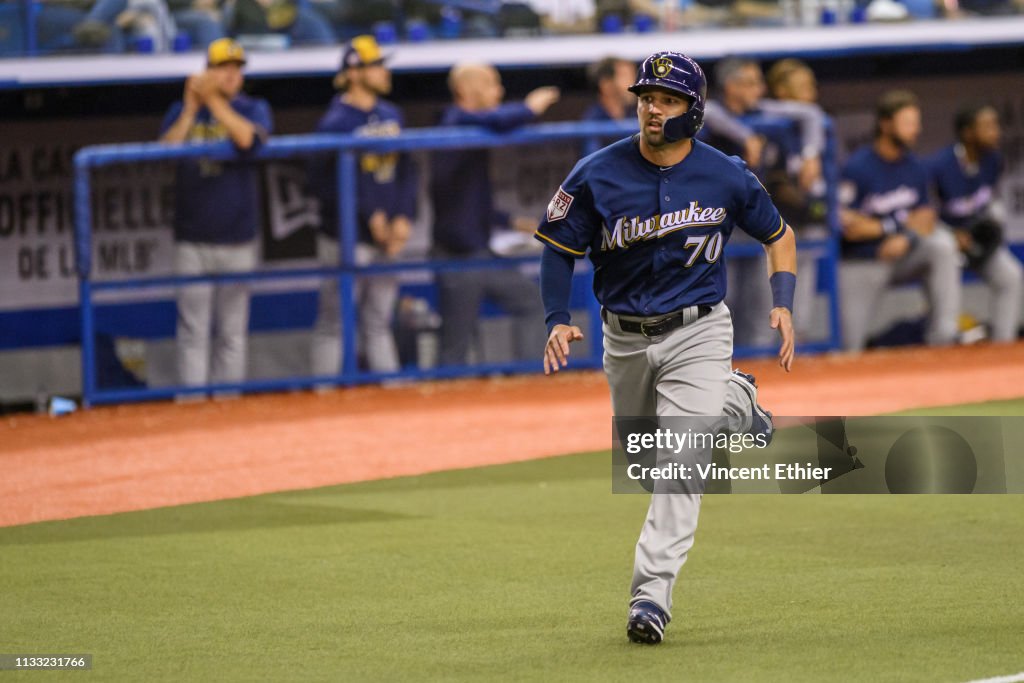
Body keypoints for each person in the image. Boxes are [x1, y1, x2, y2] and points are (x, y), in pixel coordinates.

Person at [535, 51, 796, 644]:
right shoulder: (597, 171)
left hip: (699, 329)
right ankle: (735, 403)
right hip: (622, 338)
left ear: (694, 110)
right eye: (647, 97)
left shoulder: (725, 174)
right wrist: (556, 317)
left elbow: (779, 235)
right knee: (644, 456)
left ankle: (650, 595)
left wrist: (783, 299)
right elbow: (557, 249)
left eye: (668, 99)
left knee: (680, 464)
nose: (653, 109)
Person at [159, 38, 273, 389]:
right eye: (222, 68)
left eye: (236, 68)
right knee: (192, 330)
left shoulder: (255, 108)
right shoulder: (182, 109)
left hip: (238, 236)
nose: (230, 75)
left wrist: (213, 101)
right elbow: (164, 154)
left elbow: (246, 140)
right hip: (192, 238)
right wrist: (192, 109)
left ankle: (227, 410)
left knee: (232, 333)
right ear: (206, 71)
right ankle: (192, 408)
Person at [429, 63, 559, 366]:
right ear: (465, 89)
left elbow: (471, 202)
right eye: (491, 84)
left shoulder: (471, 124)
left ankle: (528, 381)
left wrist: (513, 223)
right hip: (455, 257)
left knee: (532, 303)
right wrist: (528, 108)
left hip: (480, 253)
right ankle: (442, 408)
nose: (498, 91)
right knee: (455, 347)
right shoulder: (454, 121)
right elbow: (498, 119)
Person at [309, 35, 416, 377]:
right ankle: (324, 397)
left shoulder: (392, 113)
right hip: (346, 236)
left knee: (379, 321)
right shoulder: (335, 121)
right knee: (334, 322)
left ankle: (390, 397)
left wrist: (403, 216)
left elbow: (408, 169)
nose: (384, 71)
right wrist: (369, 215)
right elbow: (324, 185)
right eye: (376, 65)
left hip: (387, 236)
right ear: (353, 73)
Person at [708, 57, 826, 351]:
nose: (759, 89)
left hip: (751, 218)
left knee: (758, 302)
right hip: (715, 222)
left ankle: (757, 367)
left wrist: (811, 153)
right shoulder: (715, 112)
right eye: (750, 83)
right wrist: (745, 135)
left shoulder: (762, 109)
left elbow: (811, 114)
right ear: (730, 87)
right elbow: (705, 111)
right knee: (724, 298)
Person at [839, 90, 960, 351]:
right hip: (863, 262)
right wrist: (893, 226)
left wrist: (904, 236)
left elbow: (926, 217)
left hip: (903, 254)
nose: (915, 130)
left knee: (942, 244)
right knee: (850, 347)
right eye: (908, 123)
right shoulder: (857, 167)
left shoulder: (914, 166)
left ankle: (944, 336)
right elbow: (849, 227)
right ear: (885, 125)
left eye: (916, 123)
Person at [929, 104, 1022, 342]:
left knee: (1010, 276)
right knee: (944, 250)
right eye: (988, 127)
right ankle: (944, 339)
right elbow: (924, 214)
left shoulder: (993, 160)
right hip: (945, 239)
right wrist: (950, 234)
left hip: (974, 239)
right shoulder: (939, 166)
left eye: (996, 126)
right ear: (968, 133)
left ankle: (1003, 343)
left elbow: (987, 203)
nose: (996, 132)